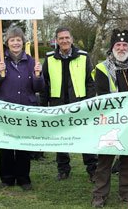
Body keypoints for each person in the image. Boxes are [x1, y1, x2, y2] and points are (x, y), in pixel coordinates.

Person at [91, 29, 128, 207]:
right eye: (118, 45)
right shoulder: (102, 68)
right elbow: (103, 96)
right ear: (112, 47)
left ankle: (127, 192)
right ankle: (100, 194)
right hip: (110, 121)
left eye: (124, 45)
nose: (121, 48)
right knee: (105, 159)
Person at [39, 27, 97, 182]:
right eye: (61, 38)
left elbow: (90, 83)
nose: (64, 41)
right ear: (56, 41)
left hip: (80, 103)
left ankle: (92, 169)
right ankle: (63, 169)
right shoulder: (50, 58)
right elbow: (44, 84)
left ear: (72, 39)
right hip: (58, 104)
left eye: (66, 38)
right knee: (60, 138)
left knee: (85, 137)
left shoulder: (84, 57)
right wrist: (43, 107)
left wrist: (89, 104)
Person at [0, 26, 45, 191]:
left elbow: (38, 88)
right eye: (12, 40)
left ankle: (23, 178)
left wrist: (38, 76)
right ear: (7, 43)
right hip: (5, 109)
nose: (15, 43)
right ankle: (6, 178)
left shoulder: (33, 61)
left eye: (18, 40)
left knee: (23, 146)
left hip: (26, 109)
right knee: (6, 145)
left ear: (23, 42)